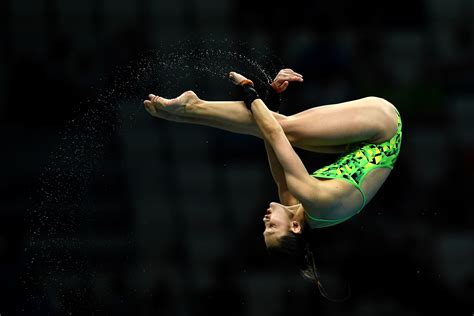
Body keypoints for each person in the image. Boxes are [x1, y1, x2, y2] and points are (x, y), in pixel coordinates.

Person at [143, 68, 402, 298]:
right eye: (272, 229)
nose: (265, 221)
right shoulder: (313, 198)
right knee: (287, 129)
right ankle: (191, 108)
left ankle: (185, 113)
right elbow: (276, 133)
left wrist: (271, 102)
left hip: (364, 140)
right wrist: (248, 90)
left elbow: (271, 139)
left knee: (282, 128)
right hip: (383, 127)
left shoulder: (294, 204)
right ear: (296, 227)